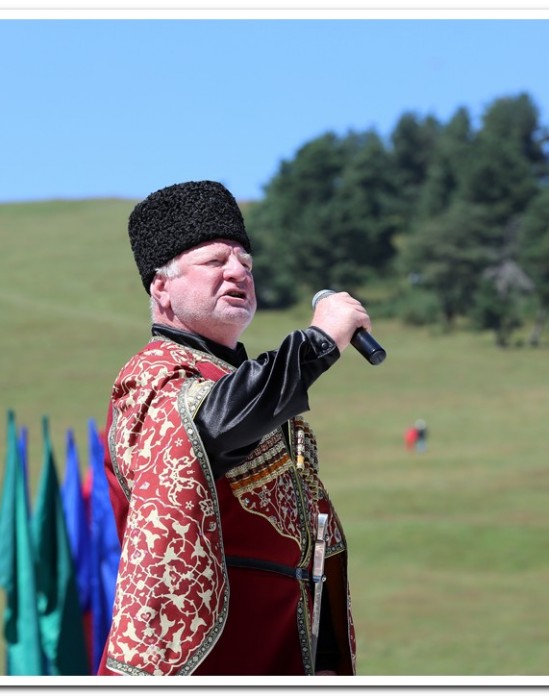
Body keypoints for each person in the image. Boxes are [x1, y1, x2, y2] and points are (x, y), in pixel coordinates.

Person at [97, 180, 364, 677]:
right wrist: (317, 343)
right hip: (200, 660)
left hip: (281, 651)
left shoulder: (245, 385)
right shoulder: (150, 376)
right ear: (162, 287)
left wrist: (324, 658)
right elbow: (213, 428)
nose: (239, 271)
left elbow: (312, 545)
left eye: (246, 262)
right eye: (215, 261)